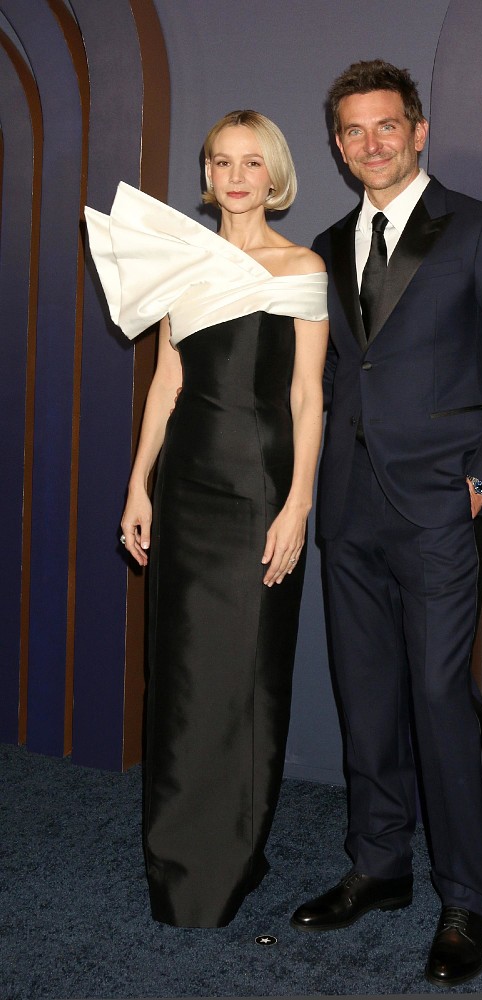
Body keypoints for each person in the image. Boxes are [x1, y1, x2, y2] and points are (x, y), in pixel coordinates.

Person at [290, 61, 482, 986]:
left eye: (385, 126)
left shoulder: (479, 229)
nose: (370, 144)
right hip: (349, 506)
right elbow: (332, 376)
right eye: (352, 131)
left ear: (417, 130)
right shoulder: (328, 244)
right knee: (365, 695)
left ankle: (463, 898)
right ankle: (379, 865)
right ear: (338, 146)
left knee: (441, 701)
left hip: (442, 507)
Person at [85, 111, 328, 928]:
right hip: (187, 486)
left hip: (260, 488)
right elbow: (167, 383)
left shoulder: (301, 266)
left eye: (251, 163)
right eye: (221, 162)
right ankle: (176, 859)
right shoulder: (181, 261)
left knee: (246, 674)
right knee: (183, 673)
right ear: (208, 174)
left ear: (274, 176)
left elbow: (307, 397)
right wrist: (138, 485)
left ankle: (233, 856)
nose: (235, 177)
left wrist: (298, 503)